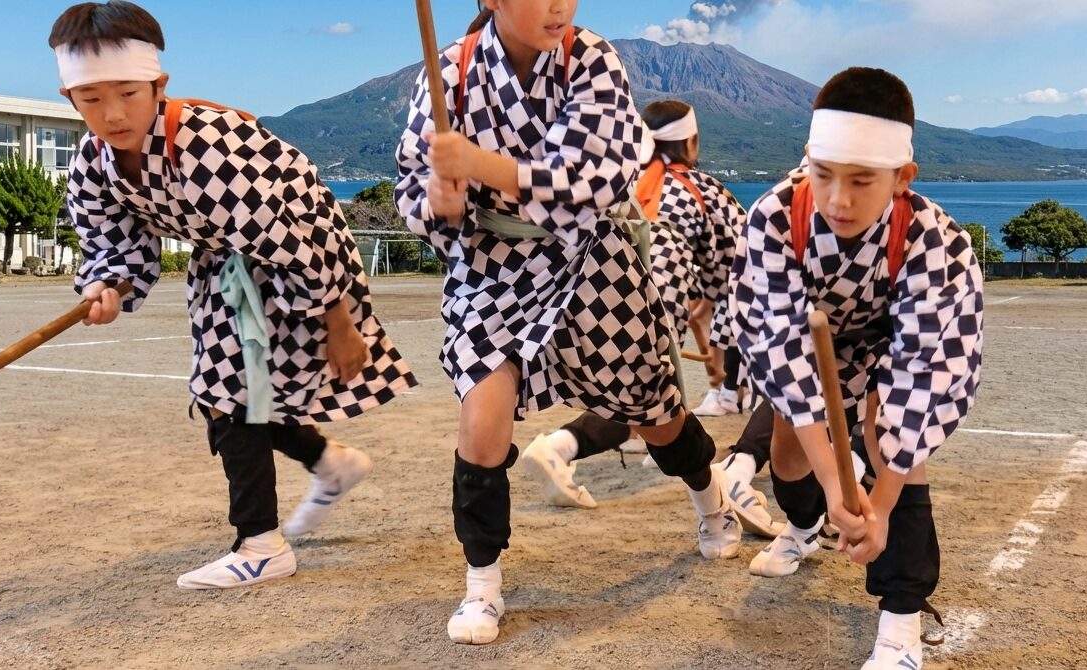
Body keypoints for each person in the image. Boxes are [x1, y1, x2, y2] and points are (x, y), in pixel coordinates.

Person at [395, 0, 736, 646]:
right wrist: (437, 201)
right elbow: (414, 182)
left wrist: (477, 166)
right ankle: (481, 585)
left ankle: (709, 497)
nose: (559, 6)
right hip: (489, 265)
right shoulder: (448, 74)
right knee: (482, 416)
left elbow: (592, 174)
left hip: (588, 258)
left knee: (655, 415)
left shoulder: (593, 59)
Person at [51, 0, 416, 590]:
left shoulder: (206, 145)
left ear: (158, 85)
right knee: (234, 394)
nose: (112, 114)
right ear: (69, 99)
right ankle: (329, 464)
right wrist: (108, 284)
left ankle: (261, 544)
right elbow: (111, 240)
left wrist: (339, 318)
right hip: (226, 262)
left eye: (127, 94)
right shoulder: (93, 163)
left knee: (229, 394)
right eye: (91, 100)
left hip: (305, 251)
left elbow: (287, 240)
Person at [731, 67, 983, 669]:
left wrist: (881, 505)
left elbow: (923, 378)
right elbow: (784, 359)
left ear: (903, 179)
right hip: (812, 354)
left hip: (894, 349)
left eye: (862, 181)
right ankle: (803, 527)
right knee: (792, 458)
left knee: (897, 451)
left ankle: (900, 623)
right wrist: (835, 488)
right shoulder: (773, 219)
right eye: (823, 175)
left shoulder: (935, 241)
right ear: (808, 160)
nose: (838, 199)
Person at [518, 99, 751, 511]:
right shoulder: (704, 188)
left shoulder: (620, 175)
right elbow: (738, 264)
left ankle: (596, 443)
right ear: (691, 143)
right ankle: (561, 445)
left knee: (619, 381)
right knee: (645, 391)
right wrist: (717, 334)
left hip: (600, 274)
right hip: (663, 271)